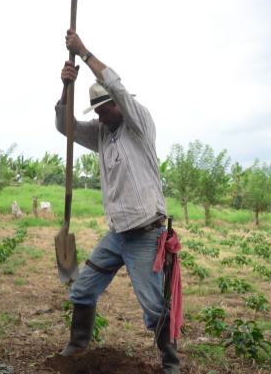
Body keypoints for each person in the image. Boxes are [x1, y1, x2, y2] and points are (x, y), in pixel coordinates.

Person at [55, 29, 179, 374]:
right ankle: (77, 344)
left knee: (154, 308)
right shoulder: (101, 135)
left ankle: (170, 364)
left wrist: (84, 53)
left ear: (116, 104)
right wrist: (66, 86)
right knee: (82, 290)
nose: (99, 116)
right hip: (117, 234)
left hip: (145, 233)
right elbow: (65, 127)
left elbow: (118, 86)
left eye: (104, 108)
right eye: (95, 110)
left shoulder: (138, 124)